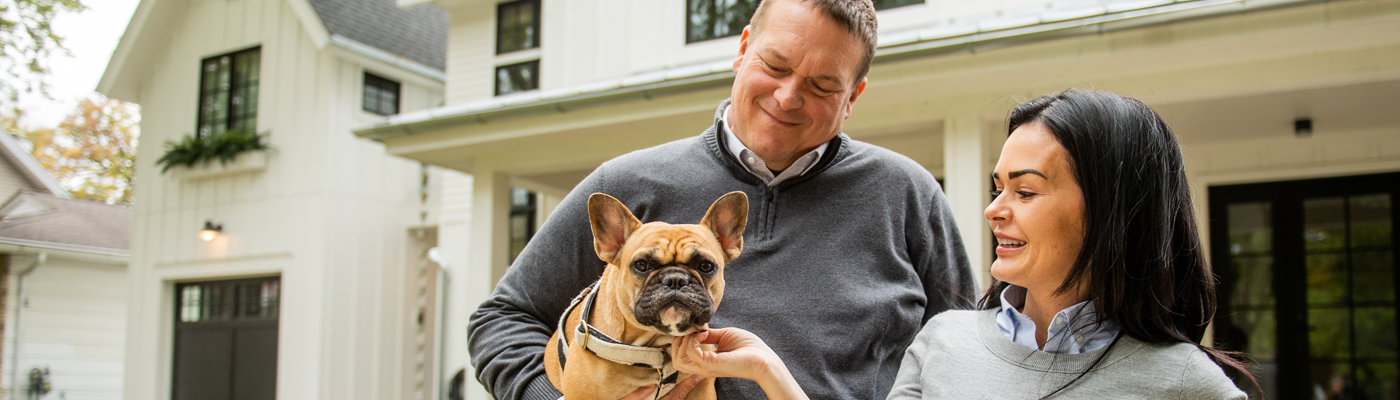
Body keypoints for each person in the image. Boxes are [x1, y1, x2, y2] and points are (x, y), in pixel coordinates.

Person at [466, 0, 977, 399]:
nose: (787, 97)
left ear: (854, 96)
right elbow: (501, 319)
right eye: (774, 65)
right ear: (742, 48)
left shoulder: (908, 195)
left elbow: (960, 354)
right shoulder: (627, 184)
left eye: (822, 86)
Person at [669, 90, 1255, 398]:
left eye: (1024, 191)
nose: (994, 210)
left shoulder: (1186, 385)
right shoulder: (946, 340)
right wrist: (767, 370)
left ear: (1111, 213)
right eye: (998, 187)